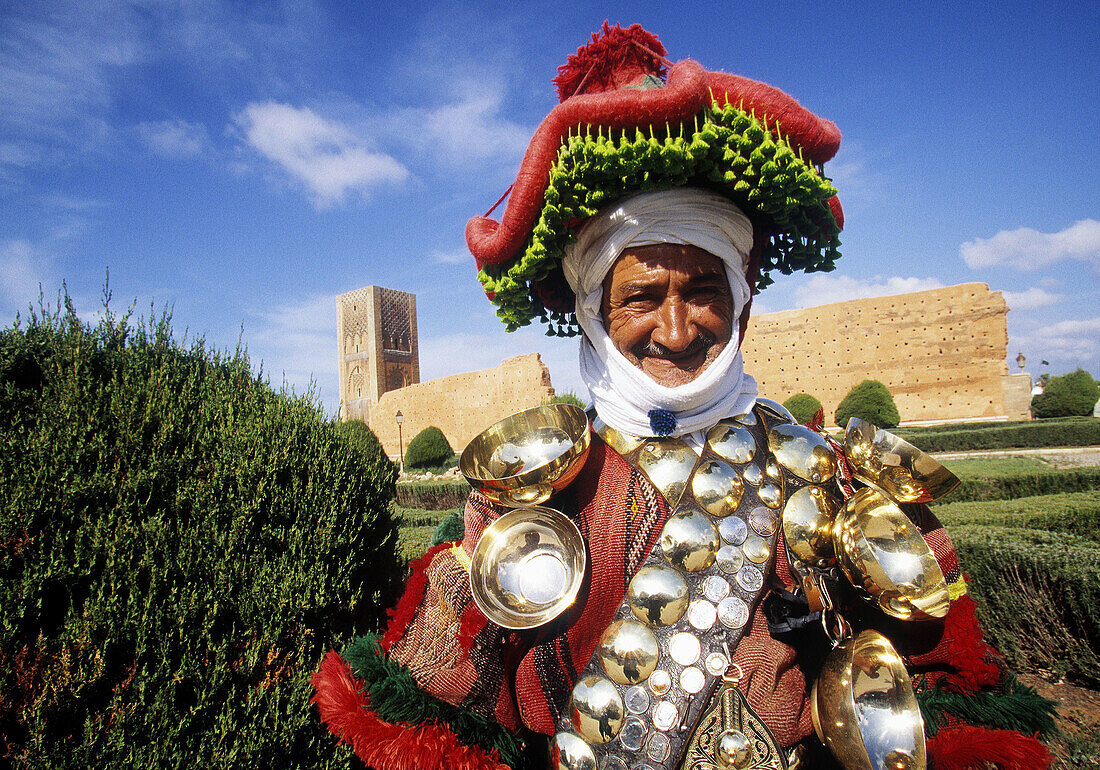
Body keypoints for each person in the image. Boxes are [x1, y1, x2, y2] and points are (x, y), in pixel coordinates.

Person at [312, 24, 1054, 770]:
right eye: (641, 297)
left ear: (742, 301)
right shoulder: (521, 498)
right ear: (595, 313)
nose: (676, 328)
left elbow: (934, 688)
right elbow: (448, 718)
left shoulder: (834, 476)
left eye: (704, 292)